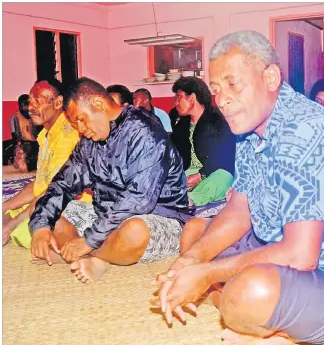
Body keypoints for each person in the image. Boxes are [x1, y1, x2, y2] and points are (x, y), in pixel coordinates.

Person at [152, 30, 324, 345]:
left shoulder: (303, 129)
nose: (222, 99)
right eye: (215, 90)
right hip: (284, 249)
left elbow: (300, 255)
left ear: (270, 77)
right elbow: (240, 208)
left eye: (233, 84)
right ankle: (255, 310)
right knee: (194, 235)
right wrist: (189, 263)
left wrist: (208, 274)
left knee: (247, 293)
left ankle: (283, 333)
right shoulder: (250, 126)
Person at [28, 77, 191, 283]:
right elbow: (63, 183)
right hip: (105, 218)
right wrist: (41, 226)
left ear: (98, 104)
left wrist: (89, 240)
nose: (80, 128)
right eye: (74, 123)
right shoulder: (89, 142)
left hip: (158, 217)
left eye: (81, 119)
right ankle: (100, 256)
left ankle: (95, 258)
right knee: (44, 211)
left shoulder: (146, 131)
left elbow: (140, 199)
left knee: (134, 231)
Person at [2, 78, 86, 247]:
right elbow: (39, 184)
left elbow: (55, 191)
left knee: (25, 235)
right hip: (44, 200)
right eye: (30, 102)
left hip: (69, 204)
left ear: (58, 102)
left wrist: (12, 225)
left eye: (38, 102)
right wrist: (4, 207)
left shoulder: (68, 135)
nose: (31, 108)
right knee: (6, 216)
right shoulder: (44, 135)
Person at [170, 77, 236, 206]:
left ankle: (190, 201)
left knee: (223, 179)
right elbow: (174, 155)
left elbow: (226, 156)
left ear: (193, 97)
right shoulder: (181, 125)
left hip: (215, 171)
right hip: (191, 171)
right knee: (173, 180)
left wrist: (201, 175)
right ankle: (183, 198)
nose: (176, 102)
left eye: (179, 97)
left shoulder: (218, 121)